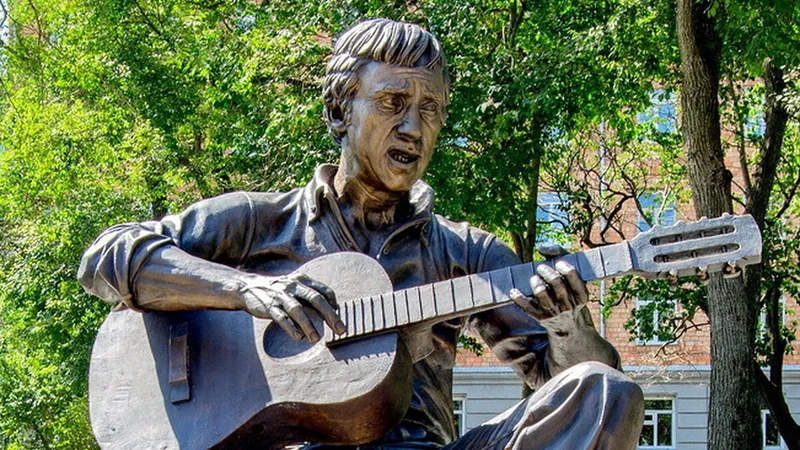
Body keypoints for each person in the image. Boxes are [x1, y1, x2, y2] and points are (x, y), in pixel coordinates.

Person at [78, 18, 643, 450]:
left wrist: (568, 325)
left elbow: (558, 378)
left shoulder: (465, 252)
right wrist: (246, 290)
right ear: (339, 111)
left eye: (430, 109)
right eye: (393, 103)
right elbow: (109, 259)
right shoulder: (259, 220)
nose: (413, 127)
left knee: (604, 392)